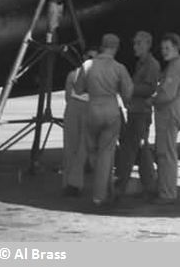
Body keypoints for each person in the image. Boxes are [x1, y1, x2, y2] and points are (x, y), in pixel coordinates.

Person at [75, 33, 133, 207]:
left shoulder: (88, 65)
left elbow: (78, 89)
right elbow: (128, 92)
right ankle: (100, 195)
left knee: (93, 150)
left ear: (102, 45)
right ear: (115, 48)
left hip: (92, 109)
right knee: (107, 153)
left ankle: (102, 187)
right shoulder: (119, 68)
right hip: (111, 110)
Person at [115, 31, 160, 197]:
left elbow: (150, 88)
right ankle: (149, 184)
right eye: (135, 43)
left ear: (148, 45)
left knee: (131, 148)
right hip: (136, 110)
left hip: (141, 112)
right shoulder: (141, 63)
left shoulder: (151, 65)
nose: (135, 47)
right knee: (140, 148)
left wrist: (130, 88)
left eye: (138, 44)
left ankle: (122, 184)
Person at [151, 32, 180, 205]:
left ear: (176, 48)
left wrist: (151, 100)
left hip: (168, 113)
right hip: (169, 112)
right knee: (165, 153)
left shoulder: (175, 67)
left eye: (168, 48)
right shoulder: (175, 65)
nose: (164, 51)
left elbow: (167, 93)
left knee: (166, 154)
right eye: (162, 48)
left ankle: (167, 193)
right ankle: (165, 189)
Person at [61, 48, 95, 197]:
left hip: (76, 108)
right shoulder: (92, 75)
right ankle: (73, 183)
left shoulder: (73, 75)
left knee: (76, 148)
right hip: (82, 109)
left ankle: (71, 183)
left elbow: (68, 96)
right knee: (76, 148)